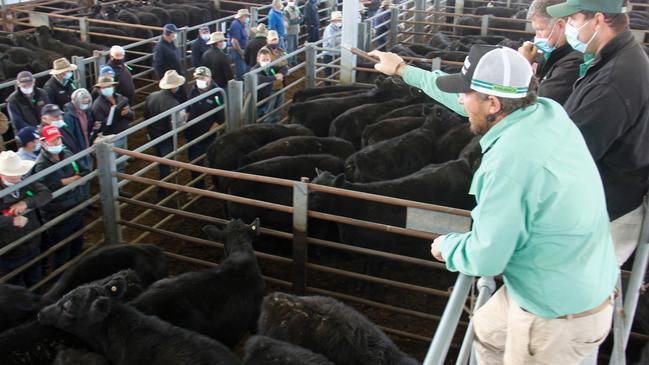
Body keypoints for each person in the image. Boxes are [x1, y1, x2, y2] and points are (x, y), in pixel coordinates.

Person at [369, 45, 618, 364]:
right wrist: (404, 70)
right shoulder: (547, 113)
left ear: (493, 104)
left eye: (465, 93)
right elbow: (468, 104)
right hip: (578, 273)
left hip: (554, 315)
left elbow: (486, 258)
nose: (460, 100)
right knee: (487, 331)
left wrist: (449, 247)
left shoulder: (506, 166)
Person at [547, 0, 649, 265]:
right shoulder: (623, 58)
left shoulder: (613, 81)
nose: (569, 28)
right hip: (612, 200)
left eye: (573, 20)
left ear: (599, 19)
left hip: (604, 213)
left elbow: (573, 154)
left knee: (572, 298)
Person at [32, 125, 89, 270]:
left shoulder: (67, 154)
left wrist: (68, 181)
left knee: (77, 243)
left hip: (76, 206)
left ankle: (76, 271)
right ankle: (61, 275)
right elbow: (42, 189)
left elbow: (84, 170)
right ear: (43, 142)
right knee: (62, 250)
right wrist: (67, 181)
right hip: (58, 214)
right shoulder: (40, 165)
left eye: (58, 140)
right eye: (53, 141)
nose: (57, 144)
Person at [0, 150, 52, 287]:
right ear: (2, 174)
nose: (17, 178)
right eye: (12, 176)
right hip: (10, 250)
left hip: (32, 241)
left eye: (19, 174)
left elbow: (46, 194)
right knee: (16, 287)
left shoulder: (25, 181)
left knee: (36, 279)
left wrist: (26, 203)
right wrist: (10, 221)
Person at [517, 0, 581, 105]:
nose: (537, 37)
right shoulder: (551, 53)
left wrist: (523, 65)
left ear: (560, 25)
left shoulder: (574, 63)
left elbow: (540, 105)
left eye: (540, 30)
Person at [144, 70, 186, 198]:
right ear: (174, 87)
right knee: (166, 164)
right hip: (166, 137)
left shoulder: (151, 96)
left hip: (153, 134)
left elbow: (146, 116)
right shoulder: (173, 103)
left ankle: (164, 188)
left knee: (160, 161)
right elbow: (176, 125)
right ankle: (163, 191)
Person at [186, 67, 223, 189]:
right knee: (194, 162)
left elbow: (221, 116)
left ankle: (217, 185)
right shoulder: (194, 89)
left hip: (207, 134)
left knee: (213, 160)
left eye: (202, 78)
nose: (199, 80)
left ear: (209, 78)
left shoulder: (217, 93)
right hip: (192, 132)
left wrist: (209, 133)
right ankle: (199, 187)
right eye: (197, 78)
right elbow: (188, 108)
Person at [251, 47, 284, 123]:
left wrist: (281, 73)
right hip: (257, 102)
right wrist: (275, 78)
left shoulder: (270, 67)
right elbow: (260, 78)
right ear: (258, 59)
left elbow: (283, 67)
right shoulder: (254, 70)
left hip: (267, 98)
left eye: (267, 60)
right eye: (263, 60)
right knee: (258, 119)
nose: (266, 62)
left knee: (268, 115)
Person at [64, 89, 96, 167]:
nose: (85, 104)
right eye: (83, 102)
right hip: (78, 151)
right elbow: (69, 137)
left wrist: (94, 127)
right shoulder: (68, 116)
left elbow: (88, 128)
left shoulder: (87, 111)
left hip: (87, 146)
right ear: (76, 101)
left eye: (87, 102)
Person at [229, 9, 251, 81]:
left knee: (245, 68)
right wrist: (241, 52)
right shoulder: (236, 25)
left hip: (242, 49)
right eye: (246, 16)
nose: (247, 18)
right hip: (238, 50)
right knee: (241, 70)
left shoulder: (241, 24)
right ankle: (240, 88)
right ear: (242, 17)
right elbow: (234, 41)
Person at [322, 11, 343, 82]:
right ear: (333, 21)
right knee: (328, 74)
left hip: (335, 53)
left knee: (334, 72)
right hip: (329, 54)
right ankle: (327, 87)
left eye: (340, 20)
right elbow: (332, 42)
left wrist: (339, 39)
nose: (340, 22)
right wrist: (343, 38)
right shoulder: (329, 29)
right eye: (339, 20)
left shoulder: (339, 27)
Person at [283, 0, 302, 65]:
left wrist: (295, 20)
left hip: (296, 30)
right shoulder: (286, 10)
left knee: (295, 46)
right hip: (289, 31)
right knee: (289, 48)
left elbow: (301, 18)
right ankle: (289, 63)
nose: (293, 1)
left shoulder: (296, 8)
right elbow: (288, 22)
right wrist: (297, 20)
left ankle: (294, 61)